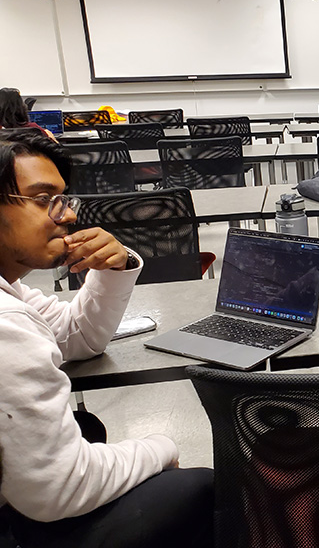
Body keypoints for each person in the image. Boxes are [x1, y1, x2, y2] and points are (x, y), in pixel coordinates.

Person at [0, 131, 213, 548]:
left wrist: (114, 268)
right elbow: (59, 487)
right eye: (44, 199)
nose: (66, 216)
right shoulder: (6, 324)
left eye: (64, 199)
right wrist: (160, 446)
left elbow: (78, 338)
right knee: (202, 488)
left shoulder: (12, 289)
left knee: (87, 428)